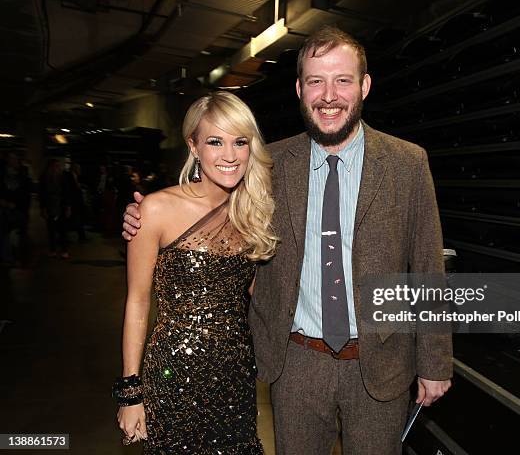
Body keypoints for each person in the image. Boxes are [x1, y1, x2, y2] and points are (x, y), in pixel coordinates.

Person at [123, 26, 452, 455]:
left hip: (382, 364)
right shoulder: (269, 164)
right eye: (316, 81)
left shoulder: (407, 163)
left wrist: (435, 363)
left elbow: (427, 267)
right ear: (300, 88)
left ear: (365, 86)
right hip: (295, 362)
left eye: (342, 80)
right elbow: (208, 194)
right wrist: (142, 216)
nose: (329, 95)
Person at [114, 91, 276, 454]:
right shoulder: (155, 209)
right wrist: (130, 392)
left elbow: (254, 294)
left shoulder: (253, 213)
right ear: (194, 145)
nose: (230, 155)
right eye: (215, 141)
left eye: (240, 142)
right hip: (174, 374)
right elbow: (138, 301)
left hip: (235, 373)